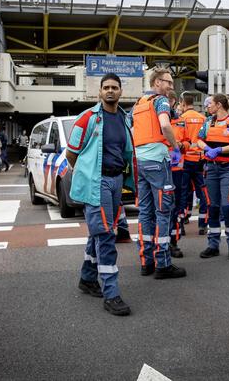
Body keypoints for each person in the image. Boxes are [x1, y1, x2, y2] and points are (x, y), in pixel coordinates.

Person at [66, 73, 137, 316]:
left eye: (114, 87)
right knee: (106, 235)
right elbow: (71, 153)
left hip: (116, 181)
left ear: (120, 91)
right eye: (105, 87)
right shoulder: (87, 118)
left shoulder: (124, 118)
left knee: (98, 231)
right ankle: (111, 293)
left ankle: (87, 278)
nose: (110, 91)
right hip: (97, 182)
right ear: (99, 92)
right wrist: (86, 176)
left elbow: (126, 151)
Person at [130, 67, 186, 279]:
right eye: (168, 82)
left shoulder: (138, 104)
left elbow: (132, 131)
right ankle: (163, 264)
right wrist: (175, 146)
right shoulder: (160, 101)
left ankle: (146, 262)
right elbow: (164, 125)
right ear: (156, 83)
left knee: (145, 212)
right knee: (163, 211)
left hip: (141, 162)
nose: (170, 86)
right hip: (158, 162)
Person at [196, 94, 229, 260]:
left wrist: (220, 150)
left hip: (228, 169)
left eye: (211, 104)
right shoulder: (208, 122)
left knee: (228, 206)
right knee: (212, 207)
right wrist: (207, 147)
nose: (208, 106)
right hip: (211, 169)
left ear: (219, 105)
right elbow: (199, 140)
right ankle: (213, 245)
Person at [177, 93, 209, 235]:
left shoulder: (181, 119)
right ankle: (203, 224)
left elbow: (178, 142)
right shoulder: (203, 119)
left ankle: (182, 223)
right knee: (202, 192)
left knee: (182, 192)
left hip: (185, 161)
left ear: (183, 103)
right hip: (200, 160)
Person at [167, 91, 185, 258]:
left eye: (171, 100)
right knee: (161, 207)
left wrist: (182, 145)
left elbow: (189, 141)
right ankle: (161, 242)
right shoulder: (157, 119)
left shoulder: (181, 122)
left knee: (176, 207)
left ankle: (173, 241)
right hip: (160, 168)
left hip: (177, 169)